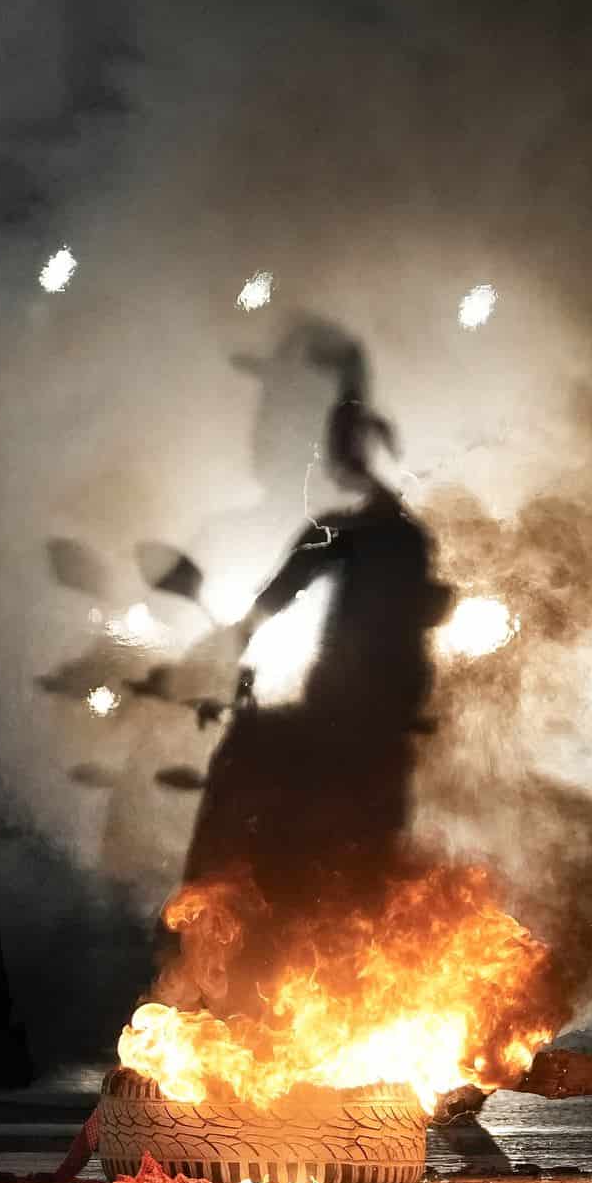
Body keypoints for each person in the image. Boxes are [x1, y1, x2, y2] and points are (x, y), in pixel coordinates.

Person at [185, 371, 452, 890]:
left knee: (240, 761)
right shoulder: (407, 537)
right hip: (381, 724)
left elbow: (277, 595)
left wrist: (235, 649)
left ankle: (195, 916)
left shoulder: (352, 533)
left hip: (343, 719)